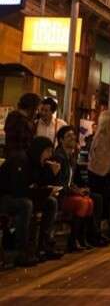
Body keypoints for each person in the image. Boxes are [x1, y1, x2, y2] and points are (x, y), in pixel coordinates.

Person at [0, 93, 42, 266]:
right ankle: (22, 250)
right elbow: (25, 146)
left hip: (17, 165)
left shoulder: (13, 121)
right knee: (27, 203)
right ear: (32, 107)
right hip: (18, 168)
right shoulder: (22, 123)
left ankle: (27, 249)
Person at [54, 126, 108, 251]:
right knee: (84, 202)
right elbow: (61, 183)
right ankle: (73, 240)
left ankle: (83, 237)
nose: (73, 137)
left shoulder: (71, 158)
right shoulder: (59, 157)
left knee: (90, 200)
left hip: (68, 192)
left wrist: (80, 189)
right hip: (60, 195)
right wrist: (77, 191)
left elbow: (71, 181)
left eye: (73, 135)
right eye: (68, 136)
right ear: (61, 140)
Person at [87, 111, 110, 222]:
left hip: (95, 172)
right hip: (106, 174)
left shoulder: (97, 137)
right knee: (103, 202)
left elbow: (92, 155)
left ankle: (95, 227)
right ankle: (98, 228)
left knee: (97, 202)